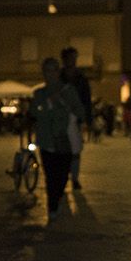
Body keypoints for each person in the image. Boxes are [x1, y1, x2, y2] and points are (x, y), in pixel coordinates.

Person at [28, 57, 80, 219]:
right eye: (47, 70)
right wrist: (49, 105)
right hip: (47, 141)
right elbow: (34, 113)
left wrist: (62, 105)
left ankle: (56, 198)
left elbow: (80, 112)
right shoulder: (39, 94)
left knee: (63, 175)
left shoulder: (69, 91)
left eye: (54, 70)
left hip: (65, 141)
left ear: (59, 72)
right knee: (50, 176)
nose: (51, 74)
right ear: (43, 73)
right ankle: (52, 206)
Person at [60, 47, 93, 189]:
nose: (73, 61)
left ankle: (74, 178)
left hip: (76, 118)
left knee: (76, 149)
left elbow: (86, 99)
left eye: (75, 58)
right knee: (61, 150)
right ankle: (64, 177)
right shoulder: (58, 77)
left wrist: (88, 118)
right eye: (70, 58)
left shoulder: (81, 78)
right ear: (65, 59)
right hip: (60, 118)